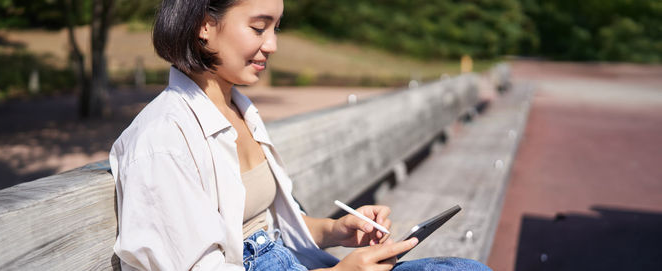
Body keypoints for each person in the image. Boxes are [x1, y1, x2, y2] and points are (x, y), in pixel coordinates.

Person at [109, 0, 493, 270]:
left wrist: (338, 230)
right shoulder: (162, 140)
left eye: (276, 28)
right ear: (204, 26)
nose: (272, 45)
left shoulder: (240, 110)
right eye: (259, 27)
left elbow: (267, 226)